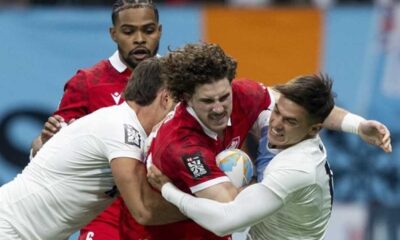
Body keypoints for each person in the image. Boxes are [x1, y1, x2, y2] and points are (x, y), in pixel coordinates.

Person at [120, 42, 391, 240]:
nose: (219, 108)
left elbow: (304, 106)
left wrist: (357, 126)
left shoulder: (243, 95)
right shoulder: (183, 147)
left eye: (223, 97)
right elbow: (230, 214)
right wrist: (267, 188)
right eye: (207, 101)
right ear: (186, 97)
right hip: (168, 233)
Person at [0, 58, 185, 240]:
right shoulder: (123, 129)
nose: (179, 114)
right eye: (179, 104)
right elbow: (143, 210)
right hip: (9, 228)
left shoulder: (124, 125)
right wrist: (201, 207)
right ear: (166, 98)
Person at [29, 0, 162, 239]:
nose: (140, 39)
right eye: (129, 31)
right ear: (113, 34)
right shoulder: (88, 82)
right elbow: (47, 146)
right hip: (105, 213)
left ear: (160, 31)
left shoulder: (177, 78)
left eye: (148, 30)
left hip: (161, 209)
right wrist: (42, 142)